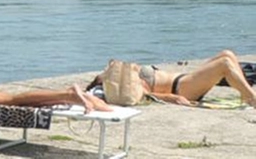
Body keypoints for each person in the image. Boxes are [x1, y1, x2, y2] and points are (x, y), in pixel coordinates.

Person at [93, 51, 256, 107]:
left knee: (227, 54)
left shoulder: (123, 73)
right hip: (182, 88)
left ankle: (243, 92)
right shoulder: (124, 85)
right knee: (225, 63)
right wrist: (170, 98)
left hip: (184, 79)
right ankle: (251, 98)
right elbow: (143, 94)